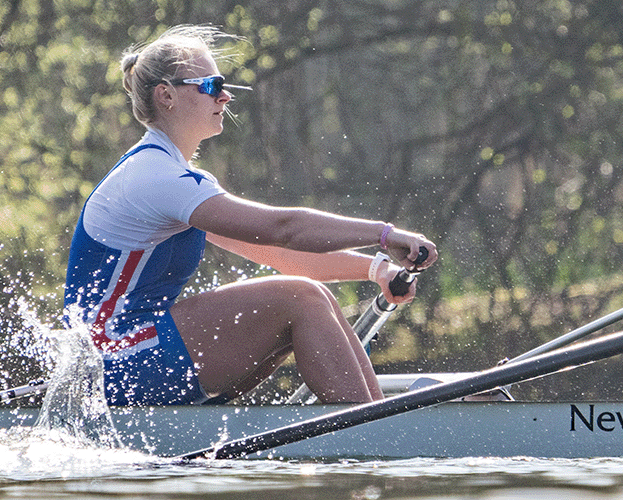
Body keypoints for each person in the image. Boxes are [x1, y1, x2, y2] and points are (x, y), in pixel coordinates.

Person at [63, 25, 438, 406]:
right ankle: (372, 436)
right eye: (210, 85)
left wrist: (377, 270)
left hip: (133, 353)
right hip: (109, 359)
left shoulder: (178, 178)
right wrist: (386, 235)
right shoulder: (154, 177)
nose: (224, 96)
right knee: (300, 297)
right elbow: (284, 229)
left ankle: (372, 418)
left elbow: (280, 255)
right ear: (166, 96)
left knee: (312, 292)